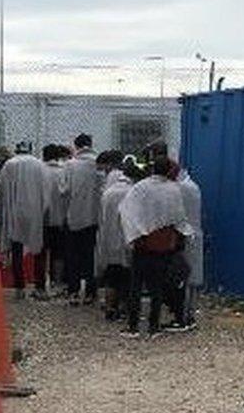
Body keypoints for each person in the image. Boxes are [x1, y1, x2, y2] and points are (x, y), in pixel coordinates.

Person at [118, 156, 191, 338]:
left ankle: (133, 326)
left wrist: (137, 231)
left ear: (152, 169)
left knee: (136, 286)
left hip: (142, 243)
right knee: (156, 287)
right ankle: (154, 326)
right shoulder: (174, 190)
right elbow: (178, 218)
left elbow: (125, 209)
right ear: (168, 171)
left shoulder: (140, 187)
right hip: (163, 245)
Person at [0, 141, 47, 300]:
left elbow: (1, 191)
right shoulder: (39, 165)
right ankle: (40, 286)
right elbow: (46, 189)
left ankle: (19, 287)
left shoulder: (9, 165)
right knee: (39, 250)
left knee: (16, 250)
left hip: (14, 211)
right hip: (35, 212)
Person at [97, 160, 143, 321]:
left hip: (108, 240)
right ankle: (125, 307)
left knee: (111, 276)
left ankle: (110, 308)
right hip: (126, 240)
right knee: (127, 277)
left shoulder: (109, 192)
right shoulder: (133, 192)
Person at [61, 133, 103, 305]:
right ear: (91, 144)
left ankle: (74, 291)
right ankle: (91, 292)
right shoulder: (98, 164)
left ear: (76, 146)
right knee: (91, 255)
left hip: (74, 217)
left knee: (73, 256)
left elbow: (63, 191)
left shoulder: (70, 165)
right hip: (95, 217)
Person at [39, 144, 70, 296]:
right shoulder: (64, 171)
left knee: (41, 253)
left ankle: (40, 286)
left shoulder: (38, 171)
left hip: (41, 219)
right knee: (59, 253)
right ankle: (57, 283)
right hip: (60, 218)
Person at [176, 161, 203, 329]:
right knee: (191, 278)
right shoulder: (191, 185)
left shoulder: (182, 188)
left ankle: (184, 317)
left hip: (186, 236)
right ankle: (189, 314)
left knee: (185, 278)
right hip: (193, 235)